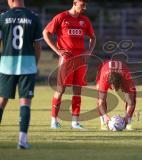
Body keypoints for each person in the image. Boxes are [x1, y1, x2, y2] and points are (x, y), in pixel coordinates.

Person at [43, 0, 96, 129]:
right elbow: (45, 33)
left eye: (85, 5)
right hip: (66, 59)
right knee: (60, 90)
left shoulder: (85, 20)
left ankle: (75, 122)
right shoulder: (61, 17)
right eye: (82, 5)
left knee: (77, 91)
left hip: (80, 60)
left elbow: (93, 37)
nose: (84, 7)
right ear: (75, 3)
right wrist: (58, 51)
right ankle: (54, 121)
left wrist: (88, 52)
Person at [0, 0, 42, 149]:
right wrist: (34, 64)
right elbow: (38, 46)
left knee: (1, 101)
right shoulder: (33, 17)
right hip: (27, 65)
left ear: (10, 1)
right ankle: (22, 141)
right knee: (25, 103)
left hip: (6, 65)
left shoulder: (3, 17)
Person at [96, 60, 136, 131]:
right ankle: (103, 122)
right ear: (109, 84)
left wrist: (127, 116)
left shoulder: (126, 79)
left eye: (117, 87)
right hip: (104, 68)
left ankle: (128, 122)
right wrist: (105, 116)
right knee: (100, 97)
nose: (115, 90)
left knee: (132, 96)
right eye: (113, 87)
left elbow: (131, 103)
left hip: (122, 71)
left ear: (121, 83)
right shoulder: (104, 78)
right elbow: (100, 102)